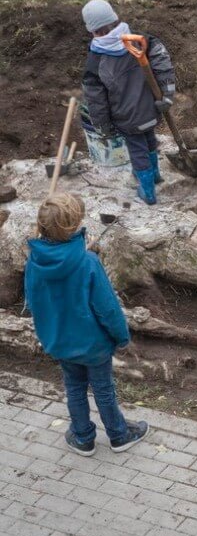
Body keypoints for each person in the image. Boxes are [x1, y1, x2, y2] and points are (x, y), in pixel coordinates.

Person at [24, 193, 149, 456]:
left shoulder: (34, 262)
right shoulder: (88, 262)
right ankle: (119, 434)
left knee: (74, 388)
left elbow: (34, 302)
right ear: (74, 225)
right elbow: (107, 308)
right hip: (93, 344)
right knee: (104, 390)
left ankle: (82, 437)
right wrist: (122, 337)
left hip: (60, 341)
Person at [81, 0, 176, 205]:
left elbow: (96, 100)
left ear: (92, 30)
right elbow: (163, 64)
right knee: (150, 139)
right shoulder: (142, 39)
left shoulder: (96, 60)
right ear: (115, 18)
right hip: (152, 110)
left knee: (137, 150)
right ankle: (155, 174)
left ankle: (148, 191)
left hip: (126, 118)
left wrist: (102, 126)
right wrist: (167, 94)